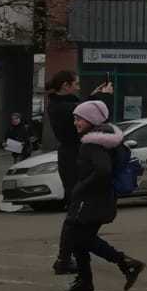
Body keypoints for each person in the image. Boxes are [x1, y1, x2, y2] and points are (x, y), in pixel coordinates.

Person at [57, 99, 146, 291]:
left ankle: (126, 263)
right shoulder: (105, 138)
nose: (75, 122)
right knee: (81, 240)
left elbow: (103, 170)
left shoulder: (93, 144)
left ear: (90, 119)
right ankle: (85, 282)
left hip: (93, 200)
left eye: (78, 118)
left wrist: (81, 187)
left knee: (81, 237)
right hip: (101, 198)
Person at [47, 72, 112, 274]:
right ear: (65, 85)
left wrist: (93, 97)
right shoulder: (62, 107)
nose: (77, 87)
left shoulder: (64, 104)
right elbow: (94, 115)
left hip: (74, 158)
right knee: (77, 211)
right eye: (75, 84)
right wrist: (103, 98)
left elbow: (83, 108)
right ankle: (66, 257)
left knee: (81, 212)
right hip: (74, 161)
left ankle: (71, 255)